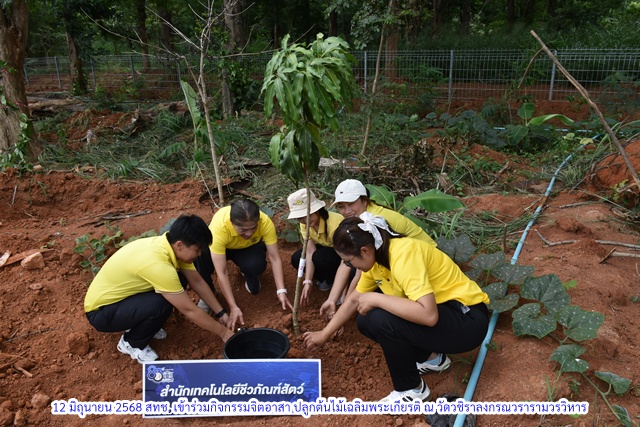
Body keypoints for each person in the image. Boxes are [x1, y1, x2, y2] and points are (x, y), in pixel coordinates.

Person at [303, 213, 490, 402]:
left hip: (468, 320)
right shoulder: (376, 260)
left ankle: (412, 390)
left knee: (379, 319)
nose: (349, 265)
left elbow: (429, 315)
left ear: (365, 251)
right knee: (366, 320)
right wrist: (324, 334)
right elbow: (353, 301)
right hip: (447, 312)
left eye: (349, 262)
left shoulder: (403, 254)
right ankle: (432, 359)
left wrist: (376, 298)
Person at [84, 214, 234, 363]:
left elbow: (197, 281)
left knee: (179, 281)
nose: (200, 254)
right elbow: (189, 310)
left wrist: (221, 313)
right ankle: (131, 343)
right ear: (180, 245)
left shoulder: (167, 246)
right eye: (197, 249)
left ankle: (141, 324)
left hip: (120, 299)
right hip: (102, 312)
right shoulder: (159, 265)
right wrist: (224, 333)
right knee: (161, 303)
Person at [320, 178, 439, 319]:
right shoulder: (358, 220)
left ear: (365, 201)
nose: (347, 211)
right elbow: (345, 261)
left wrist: (347, 302)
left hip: (421, 262)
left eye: (351, 204)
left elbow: (360, 274)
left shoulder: (374, 221)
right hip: (398, 262)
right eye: (341, 206)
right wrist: (332, 299)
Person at [196, 199, 292, 329]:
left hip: (247, 247)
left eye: (253, 228)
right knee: (200, 255)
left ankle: (247, 271)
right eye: (243, 230)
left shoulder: (264, 222)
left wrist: (281, 290)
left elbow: (274, 258)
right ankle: (208, 292)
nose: (249, 233)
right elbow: (222, 272)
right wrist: (233, 306)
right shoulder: (219, 227)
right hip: (223, 247)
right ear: (232, 223)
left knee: (255, 272)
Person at [287, 189, 356, 306]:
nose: (305, 220)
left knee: (320, 257)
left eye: (308, 215)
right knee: (297, 258)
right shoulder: (305, 225)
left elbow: (347, 259)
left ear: (317, 210)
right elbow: (309, 252)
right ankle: (327, 280)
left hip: (345, 255)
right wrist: (307, 281)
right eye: (300, 217)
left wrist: (344, 292)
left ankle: (339, 285)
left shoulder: (335, 224)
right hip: (329, 252)